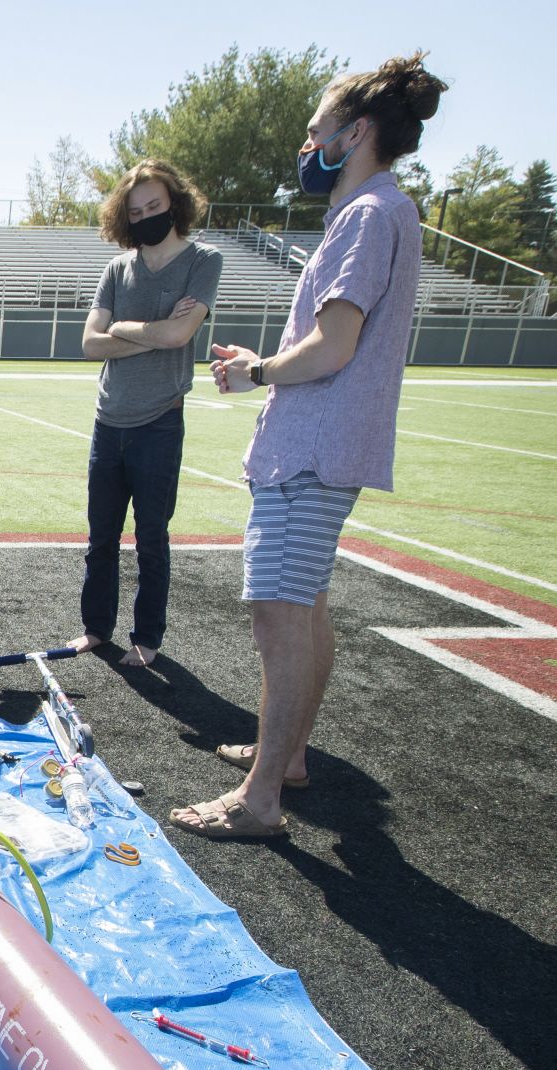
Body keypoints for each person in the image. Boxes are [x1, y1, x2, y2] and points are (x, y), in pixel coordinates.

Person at [171, 53, 447, 840]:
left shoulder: (366, 214)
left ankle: (261, 798)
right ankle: (283, 757)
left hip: (313, 445)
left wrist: (255, 369)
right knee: (306, 603)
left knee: (278, 611)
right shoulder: (381, 210)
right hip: (324, 440)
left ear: (355, 132)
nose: (306, 143)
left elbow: (332, 345)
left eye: (314, 129)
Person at [69, 160, 223, 667]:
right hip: (107, 421)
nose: (145, 216)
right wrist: (152, 330)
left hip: (159, 423)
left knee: (152, 537)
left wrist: (126, 330)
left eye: (154, 206)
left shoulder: (203, 260)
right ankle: (95, 628)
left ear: (174, 203)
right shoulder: (117, 268)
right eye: (135, 211)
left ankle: (148, 637)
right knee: (101, 537)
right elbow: (91, 344)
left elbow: (179, 337)